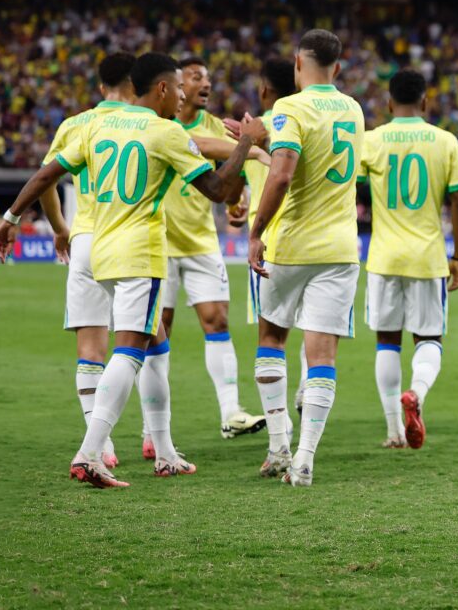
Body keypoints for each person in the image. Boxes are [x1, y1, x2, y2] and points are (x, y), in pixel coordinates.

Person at [0, 52, 265, 487]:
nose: (181, 95)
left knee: (153, 345)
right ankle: (90, 452)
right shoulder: (166, 131)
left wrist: (10, 218)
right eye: (178, 87)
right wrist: (249, 144)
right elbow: (216, 189)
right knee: (131, 350)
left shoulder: (96, 125)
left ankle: (165, 452)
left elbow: (47, 175)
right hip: (140, 254)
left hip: (98, 249)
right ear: (161, 89)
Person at [248, 29, 365, 487]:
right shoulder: (353, 109)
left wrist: (256, 232)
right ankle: (305, 458)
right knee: (322, 356)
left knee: (272, 337)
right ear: (337, 67)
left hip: (292, 245)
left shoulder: (289, 108)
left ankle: (278, 446)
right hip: (339, 249)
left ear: (298, 63)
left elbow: (280, 176)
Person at [145, 55, 264, 452]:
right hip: (157, 240)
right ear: (176, 84)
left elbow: (234, 180)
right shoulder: (159, 124)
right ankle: (152, 430)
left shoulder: (218, 129)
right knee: (156, 332)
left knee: (217, 321)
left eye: (208, 78)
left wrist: (237, 201)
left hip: (198, 240)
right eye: (195, 77)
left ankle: (231, 412)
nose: (204, 83)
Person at [358, 69, 458, 449]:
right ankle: (417, 393)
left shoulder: (371, 141)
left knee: (387, 341)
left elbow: (351, 191)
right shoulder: (445, 141)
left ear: (389, 103)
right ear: (425, 102)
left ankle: (393, 431)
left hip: (384, 256)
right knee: (429, 339)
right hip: (427, 256)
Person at [38, 52, 136, 469]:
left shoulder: (76, 124)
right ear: (136, 84)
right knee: (140, 340)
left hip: (85, 238)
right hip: (129, 240)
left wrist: (62, 226)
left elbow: (47, 180)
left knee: (90, 347)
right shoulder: (145, 125)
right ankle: (157, 440)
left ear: (100, 88)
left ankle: (103, 445)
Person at [221, 57, 309, 414]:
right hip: (314, 235)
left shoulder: (253, 129)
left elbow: (235, 183)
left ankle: (280, 427)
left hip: (270, 240)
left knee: (272, 335)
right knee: (314, 325)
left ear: (264, 89)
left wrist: (235, 206)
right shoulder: (308, 121)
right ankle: (308, 383)